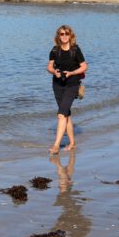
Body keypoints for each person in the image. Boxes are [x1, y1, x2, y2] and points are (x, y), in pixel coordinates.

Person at [47, 25, 88, 153]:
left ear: (70, 35)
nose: (64, 36)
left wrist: (71, 73)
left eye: (66, 34)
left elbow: (84, 66)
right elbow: (49, 67)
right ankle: (72, 143)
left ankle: (56, 146)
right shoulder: (54, 50)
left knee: (61, 115)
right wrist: (55, 72)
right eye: (61, 34)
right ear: (58, 36)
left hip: (72, 84)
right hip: (58, 85)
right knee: (66, 115)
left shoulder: (75, 50)